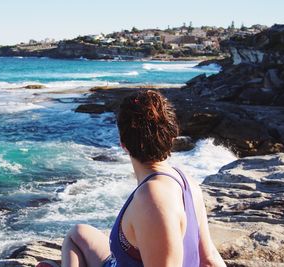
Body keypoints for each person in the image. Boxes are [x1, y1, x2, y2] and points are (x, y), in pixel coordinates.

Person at [37, 90, 225, 267]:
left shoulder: (152, 199)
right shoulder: (186, 181)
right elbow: (208, 259)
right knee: (77, 234)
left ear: (123, 145)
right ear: (172, 136)